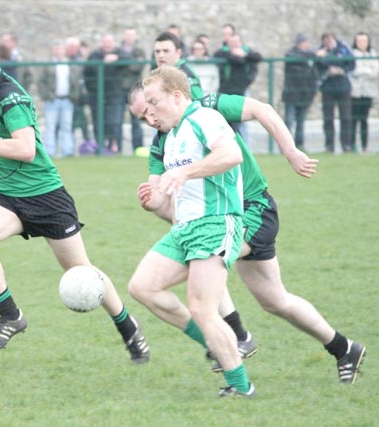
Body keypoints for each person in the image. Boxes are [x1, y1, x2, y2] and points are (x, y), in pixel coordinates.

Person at [128, 77, 367, 385]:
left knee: (206, 268)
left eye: (150, 109)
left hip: (252, 210)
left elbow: (261, 109)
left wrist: (291, 151)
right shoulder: (162, 143)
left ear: (165, 98)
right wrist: (151, 200)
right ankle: (344, 348)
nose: (149, 119)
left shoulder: (208, 109)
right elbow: (165, 202)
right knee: (275, 300)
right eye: (140, 118)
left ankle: (230, 345)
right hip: (216, 219)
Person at [0, 32, 149, 364]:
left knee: (82, 270)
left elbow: (25, 148)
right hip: (8, 196)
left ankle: (127, 327)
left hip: (46, 197)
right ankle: (11, 315)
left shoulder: (12, 96)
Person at [129, 66, 255, 398]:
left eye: (154, 103)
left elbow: (231, 154)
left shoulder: (205, 119)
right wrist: (154, 199)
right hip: (185, 228)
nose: (150, 112)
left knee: (202, 307)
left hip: (215, 223)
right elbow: (172, 194)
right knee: (142, 287)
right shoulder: (171, 137)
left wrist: (186, 172)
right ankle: (210, 340)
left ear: (176, 95)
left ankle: (242, 387)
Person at [84, 33, 131, 153]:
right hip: (97, 94)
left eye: (109, 42)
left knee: (114, 121)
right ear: (102, 43)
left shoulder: (119, 53)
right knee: (98, 121)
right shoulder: (95, 55)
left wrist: (117, 58)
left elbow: (130, 61)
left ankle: (115, 147)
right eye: (105, 42)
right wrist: (104, 62)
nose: (107, 45)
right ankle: (100, 147)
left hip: (114, 94)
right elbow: (89, 70)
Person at [37, 40, 80, 157]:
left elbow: (76, 82)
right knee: (50, 126)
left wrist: (73, 96)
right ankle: (49, 151)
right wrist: (46, 95)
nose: (58, 52)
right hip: (52, 100)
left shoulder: (70, 65)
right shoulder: (48, 66)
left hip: (67, 100)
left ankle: (68, 151)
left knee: (67, 126)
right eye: (56, 49)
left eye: (60, 49)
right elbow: (41, 82)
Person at [315, 33, 355, 153]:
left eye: (330, 41)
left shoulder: (343, 48)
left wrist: (341, 70)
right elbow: (318, 66)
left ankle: (347, 145)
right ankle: (329, 145)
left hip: (343, 86)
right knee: (328, 117)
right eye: (325, 42)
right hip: (327, 87)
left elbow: (351, 63)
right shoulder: (320, 51)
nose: (328, 43)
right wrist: (326, 62)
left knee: (346, 116)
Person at [281, 33, 318, 150]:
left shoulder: (310, 57)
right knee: (289, 121)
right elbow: (294, 57)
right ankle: (286, 146)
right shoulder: (291, 54)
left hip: (305, 94)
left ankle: (299, 145)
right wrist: (313, 54)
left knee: (301, 123)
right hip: (291, 94)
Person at [118, 27, 146, 153]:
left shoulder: (139, 50)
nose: (129, 37)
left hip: (135, 90)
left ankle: (138, 147)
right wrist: (132, 61)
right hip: (119, 89)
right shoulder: (118, 50)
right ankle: (117, 148)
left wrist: (124, 62)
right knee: (117, 119)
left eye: (132, 35)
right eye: (127, 35)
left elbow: (137, 67)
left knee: (137, 119)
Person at [350, 31, 379, 153]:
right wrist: (367, 71)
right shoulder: (352, 54)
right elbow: (354, 70)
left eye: (364, 41)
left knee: (364, 120)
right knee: (353, 119)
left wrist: (364, 71)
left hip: (368, 92)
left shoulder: (372, 54)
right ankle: (352, 146)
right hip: (355, 92)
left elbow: (375, 71)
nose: (362, 43)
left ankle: (364, 146)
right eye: (359, 41)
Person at [65, 36, 94, 153]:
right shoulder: (63, 60)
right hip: (66, 98)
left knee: (83, 123)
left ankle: (87, 147)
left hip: (79, 99)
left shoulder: (83, 61)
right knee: (68, 125)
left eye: (74, 47)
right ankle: (68, 149)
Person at [153, 32, 203, 99]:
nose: (161, 55)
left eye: (166, 51)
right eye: (157, 51)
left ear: (178, 53)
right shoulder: (158, 73)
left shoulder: (187, 75)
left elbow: (198, 102)